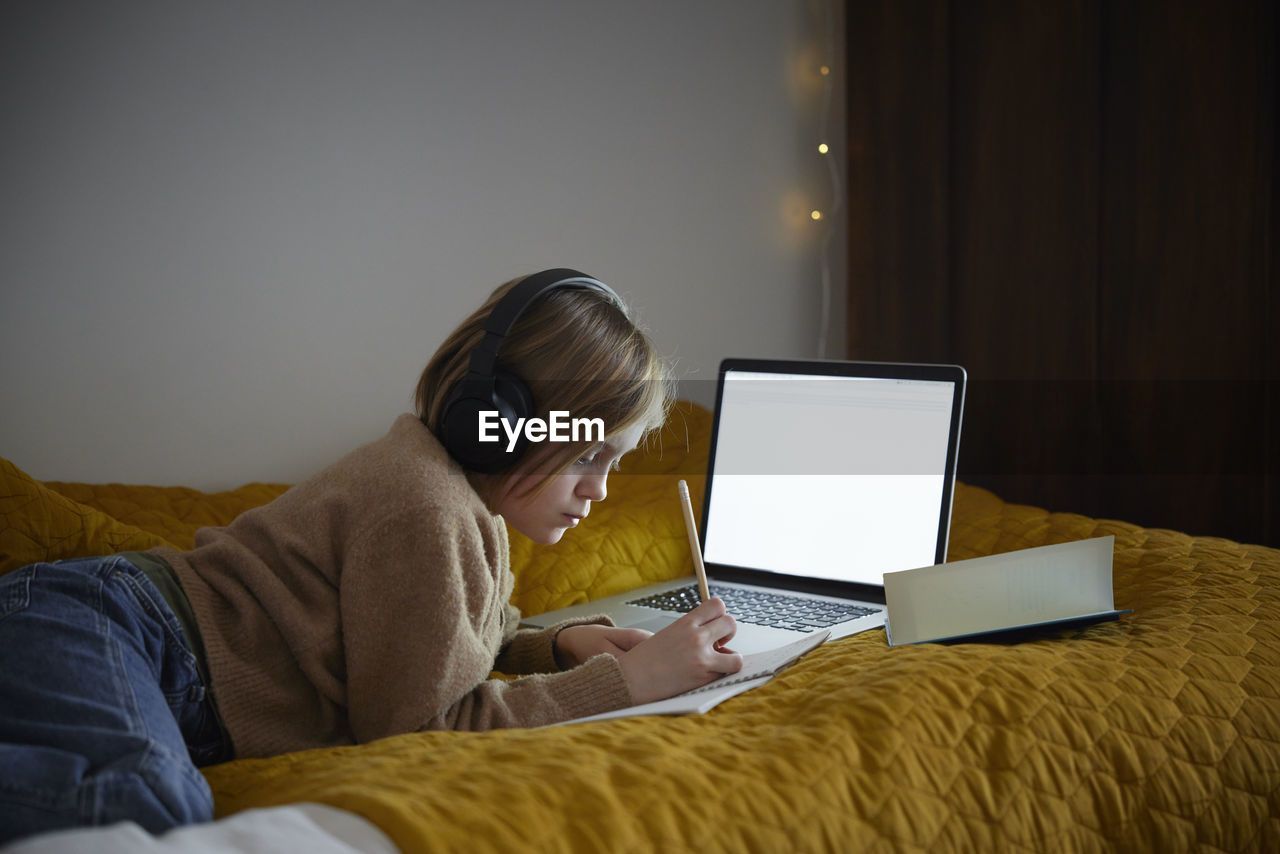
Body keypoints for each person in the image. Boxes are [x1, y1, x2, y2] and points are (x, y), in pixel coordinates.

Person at [0, 269, 743, 844]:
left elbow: (438, 639)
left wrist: (552, 646)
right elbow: (422, 730)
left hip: (119, 637)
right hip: (114, 628)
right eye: (588, 453)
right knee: (143, 807)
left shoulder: (463, 506)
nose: (601, 489)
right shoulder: (425, 504)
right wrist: (622, 683)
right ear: (499, 420)